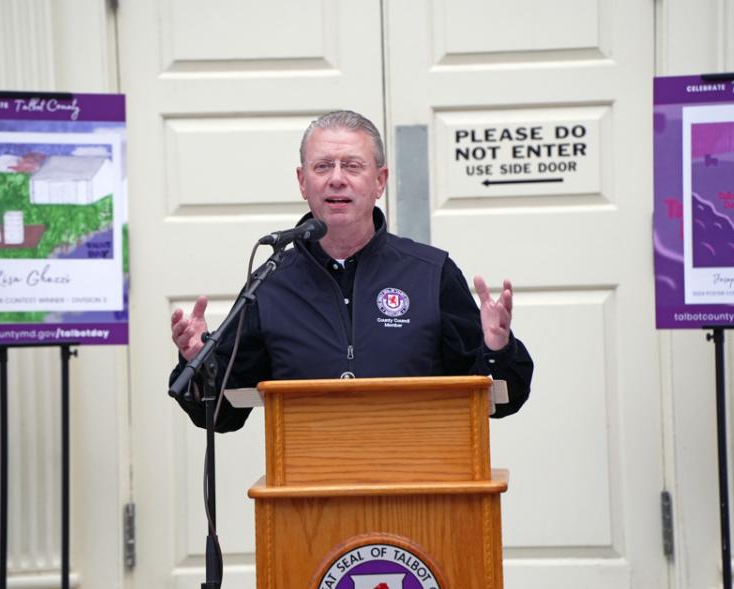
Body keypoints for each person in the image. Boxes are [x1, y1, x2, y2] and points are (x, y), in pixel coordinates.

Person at [169, 111, 532, 431]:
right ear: (302, 181)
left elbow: (501, 400)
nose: (337, 179)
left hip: (419, 494)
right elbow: (221, 414)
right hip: (309, 501)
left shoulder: (431, 274)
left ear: (380, 181)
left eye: (352, 166)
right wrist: (198, 361)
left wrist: (496, 349)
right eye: (323, 166)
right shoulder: (270, 283)